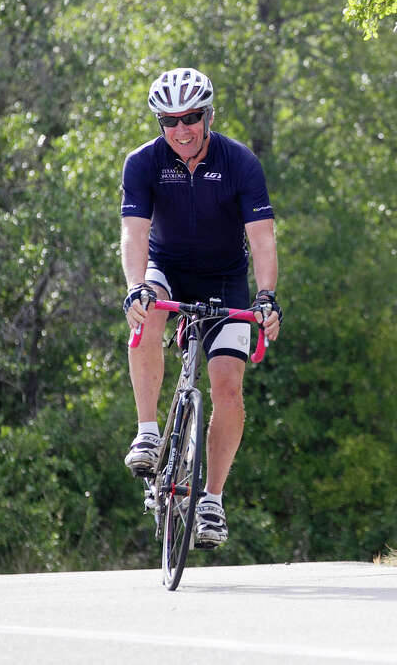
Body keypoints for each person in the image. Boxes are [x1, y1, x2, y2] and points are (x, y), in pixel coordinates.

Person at [119, 67, 281, 548]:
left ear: (208, 116)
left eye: (191, 117)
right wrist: (134, 286)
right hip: (166, 266)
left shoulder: (240, 162)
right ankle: (148, 432)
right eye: (170, 121)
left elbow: (263, 237)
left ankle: (211, 500)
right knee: (146, 309)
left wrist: (267, 295)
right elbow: (134, 232)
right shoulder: (143, 163)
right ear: (159, 124)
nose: (181, 129)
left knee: (228, 388)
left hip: (224, 278)